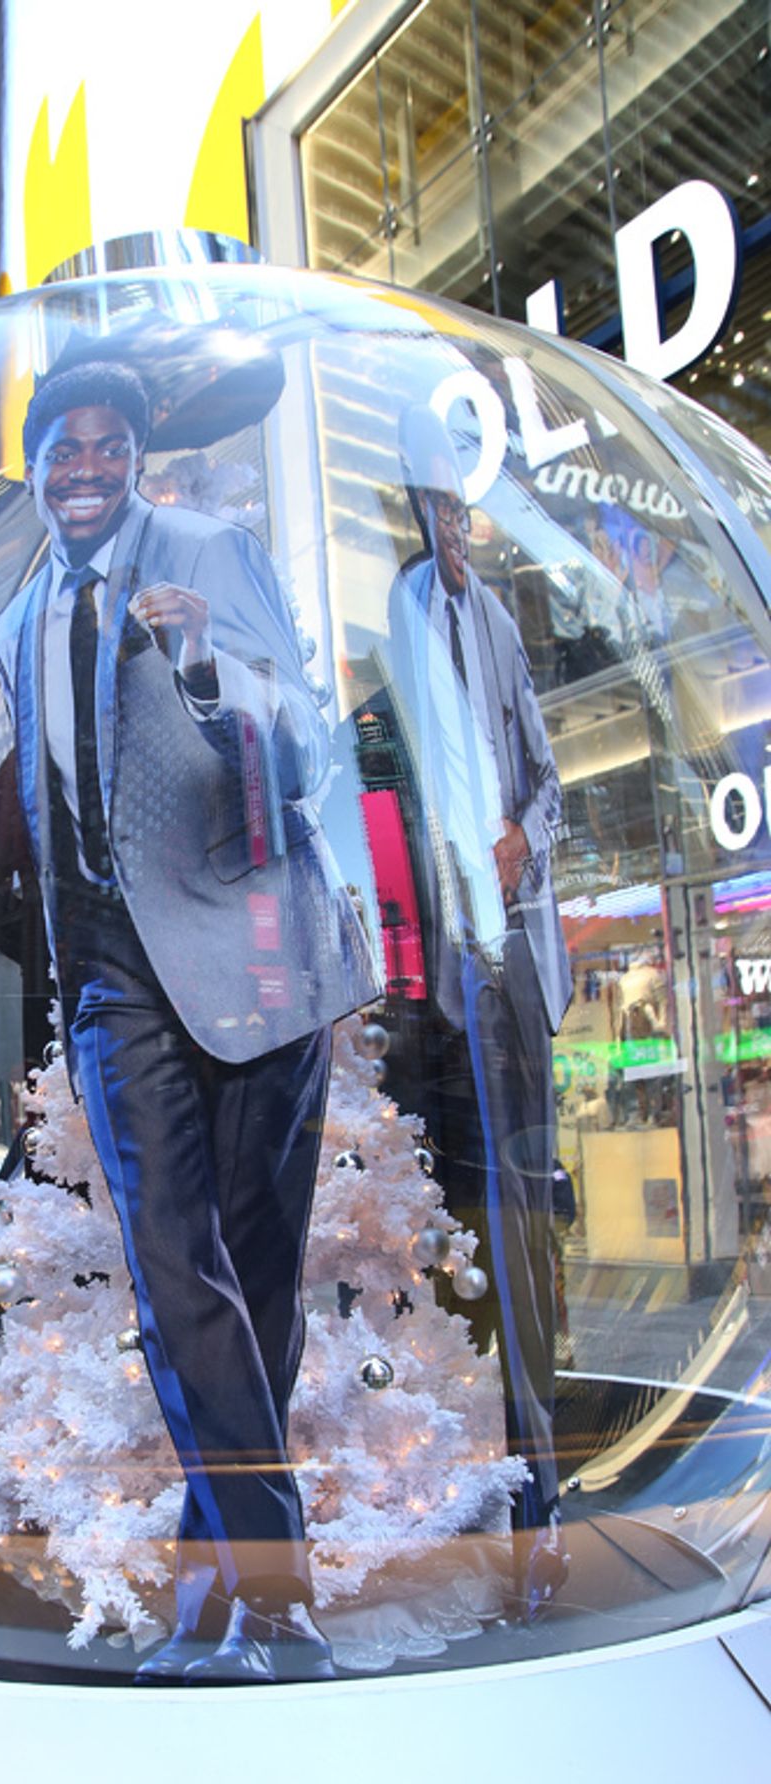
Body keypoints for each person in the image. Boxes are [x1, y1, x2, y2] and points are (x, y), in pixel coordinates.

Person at [0, 359, 377, 1683]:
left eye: (109, 446)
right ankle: (274, 1599)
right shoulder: (19, 617)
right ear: (34, 466)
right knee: (173, 1277)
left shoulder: (209, 550)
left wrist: (206, 660)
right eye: (62, 448)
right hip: (111, 975)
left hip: (252, 944)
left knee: (255, 1286)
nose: (85, 467)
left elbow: (308, 752)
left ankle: (224, 1596)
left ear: (136, 461)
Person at [384, 402, 573, 1617]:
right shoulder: (400, 620)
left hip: (513, 962)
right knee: (462, 1212)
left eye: (462, 506)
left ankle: (543, 1467)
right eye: (434, 507)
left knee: (528, 1215)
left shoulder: (494, 620)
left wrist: (518, 840)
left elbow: (544, 782)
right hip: (441, 971)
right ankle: (481, 1455)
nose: (453, 527)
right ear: (412, 512)